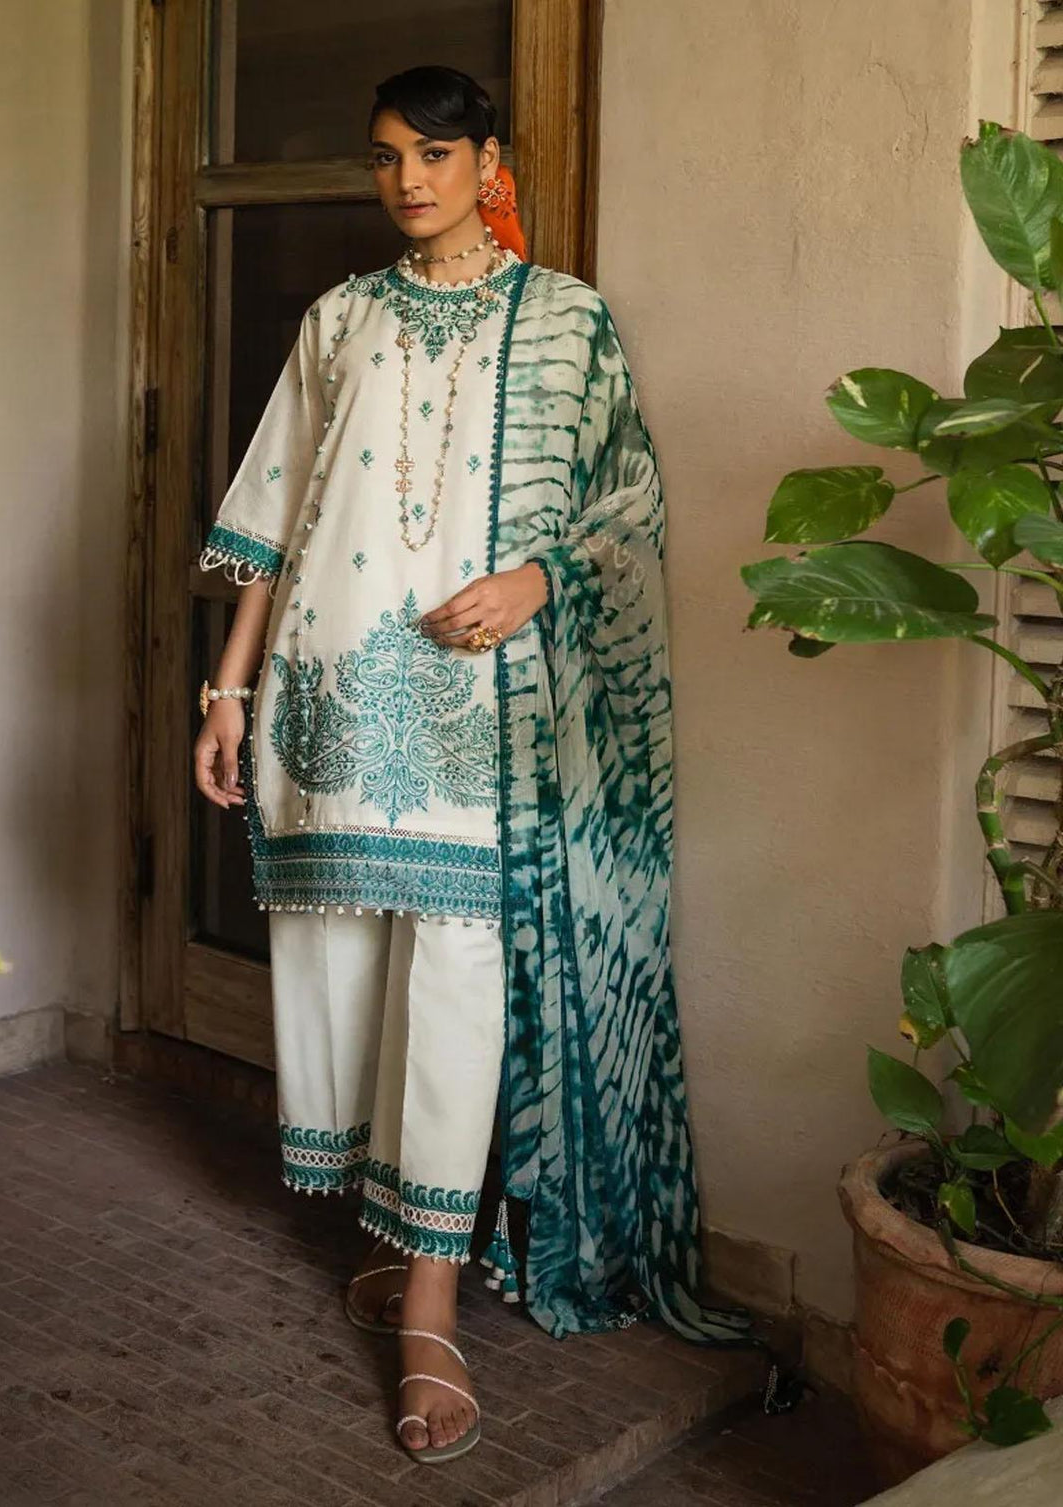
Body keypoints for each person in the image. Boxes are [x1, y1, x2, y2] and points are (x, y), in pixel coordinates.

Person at [193, 64, 751, 1467]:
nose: (409, 181)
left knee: (453, 977)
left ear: (487, 159)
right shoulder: (339, 318)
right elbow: (273, 514)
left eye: (436, 155)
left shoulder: (566, 320)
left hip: (484, 707)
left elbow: (628, 504)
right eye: (387, 157)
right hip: (335, 690)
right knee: (343, 962)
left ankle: (432, 1305)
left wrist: (536, 581)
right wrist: (227, 691)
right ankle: (394, 1239)